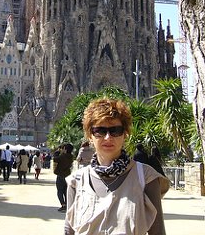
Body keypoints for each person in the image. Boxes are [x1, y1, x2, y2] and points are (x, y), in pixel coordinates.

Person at [65, 98, 169, 235]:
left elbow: (158, 231)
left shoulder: (146, 177)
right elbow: (69, 231)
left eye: (116, 130)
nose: (108, 137)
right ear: (90, 135)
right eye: (100, 131)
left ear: (125, 134)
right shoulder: (76, 180)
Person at [53, 143, 74, 212]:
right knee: (66, 191)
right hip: (67, 175)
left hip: (60, 175)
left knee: (60, 191)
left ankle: (63, 205)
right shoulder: (71, 156)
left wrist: (57, 152)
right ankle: (67, 204)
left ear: (65, 149)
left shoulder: (63, 156)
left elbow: (55, 159)